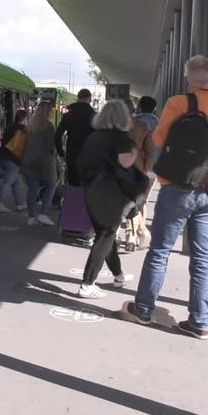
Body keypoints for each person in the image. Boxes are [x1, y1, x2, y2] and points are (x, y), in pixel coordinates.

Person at [127, 55, 208, 340]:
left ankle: (143, 309)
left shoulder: (178, 103)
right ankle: (200, 321)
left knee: (160, 250)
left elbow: (158, 139)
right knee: (204, 256)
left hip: (178, 186)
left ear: (187, 78)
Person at [75, 100, 138, 299]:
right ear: (123, 117)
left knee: (106, 235)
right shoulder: (121, 138)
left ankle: (118, 275)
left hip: (91, 189)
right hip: (110, 193)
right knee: (107, 235)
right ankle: (87, 284)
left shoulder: (94, 136)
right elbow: (126, 164)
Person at [122, 99, 155, 251]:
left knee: (120, 203)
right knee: (136, 202)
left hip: (118, 169)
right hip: (138, 168)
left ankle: (119, 234)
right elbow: (150, 152)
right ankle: (133, 236)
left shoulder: (114, 126)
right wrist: (144, 170)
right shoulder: (144, 126)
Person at [21, 101, 58, 226]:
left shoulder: (30, 126)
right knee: (51, 185)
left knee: (32, 189)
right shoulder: (48, 126)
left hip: (29, 160)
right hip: (44, 162)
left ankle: (31, 217)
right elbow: (50, 145)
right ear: (48, 112)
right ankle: (43, 213)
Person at [55, 89, 96, 187]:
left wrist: (61, 153)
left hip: (72, 154)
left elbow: (57, 135)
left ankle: (74, 201)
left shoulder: (68, 115)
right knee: (89, 186)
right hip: (90, 155)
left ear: (78, 98)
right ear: (90, 99)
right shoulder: (95, 116)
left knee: (74, 185)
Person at [0, 109, 29, 212]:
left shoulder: (9, 126)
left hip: (3, 156)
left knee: (15, 181)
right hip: (13, 159)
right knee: (8, 181)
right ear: (24, 118)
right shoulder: (24, 129)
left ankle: (20, 204)